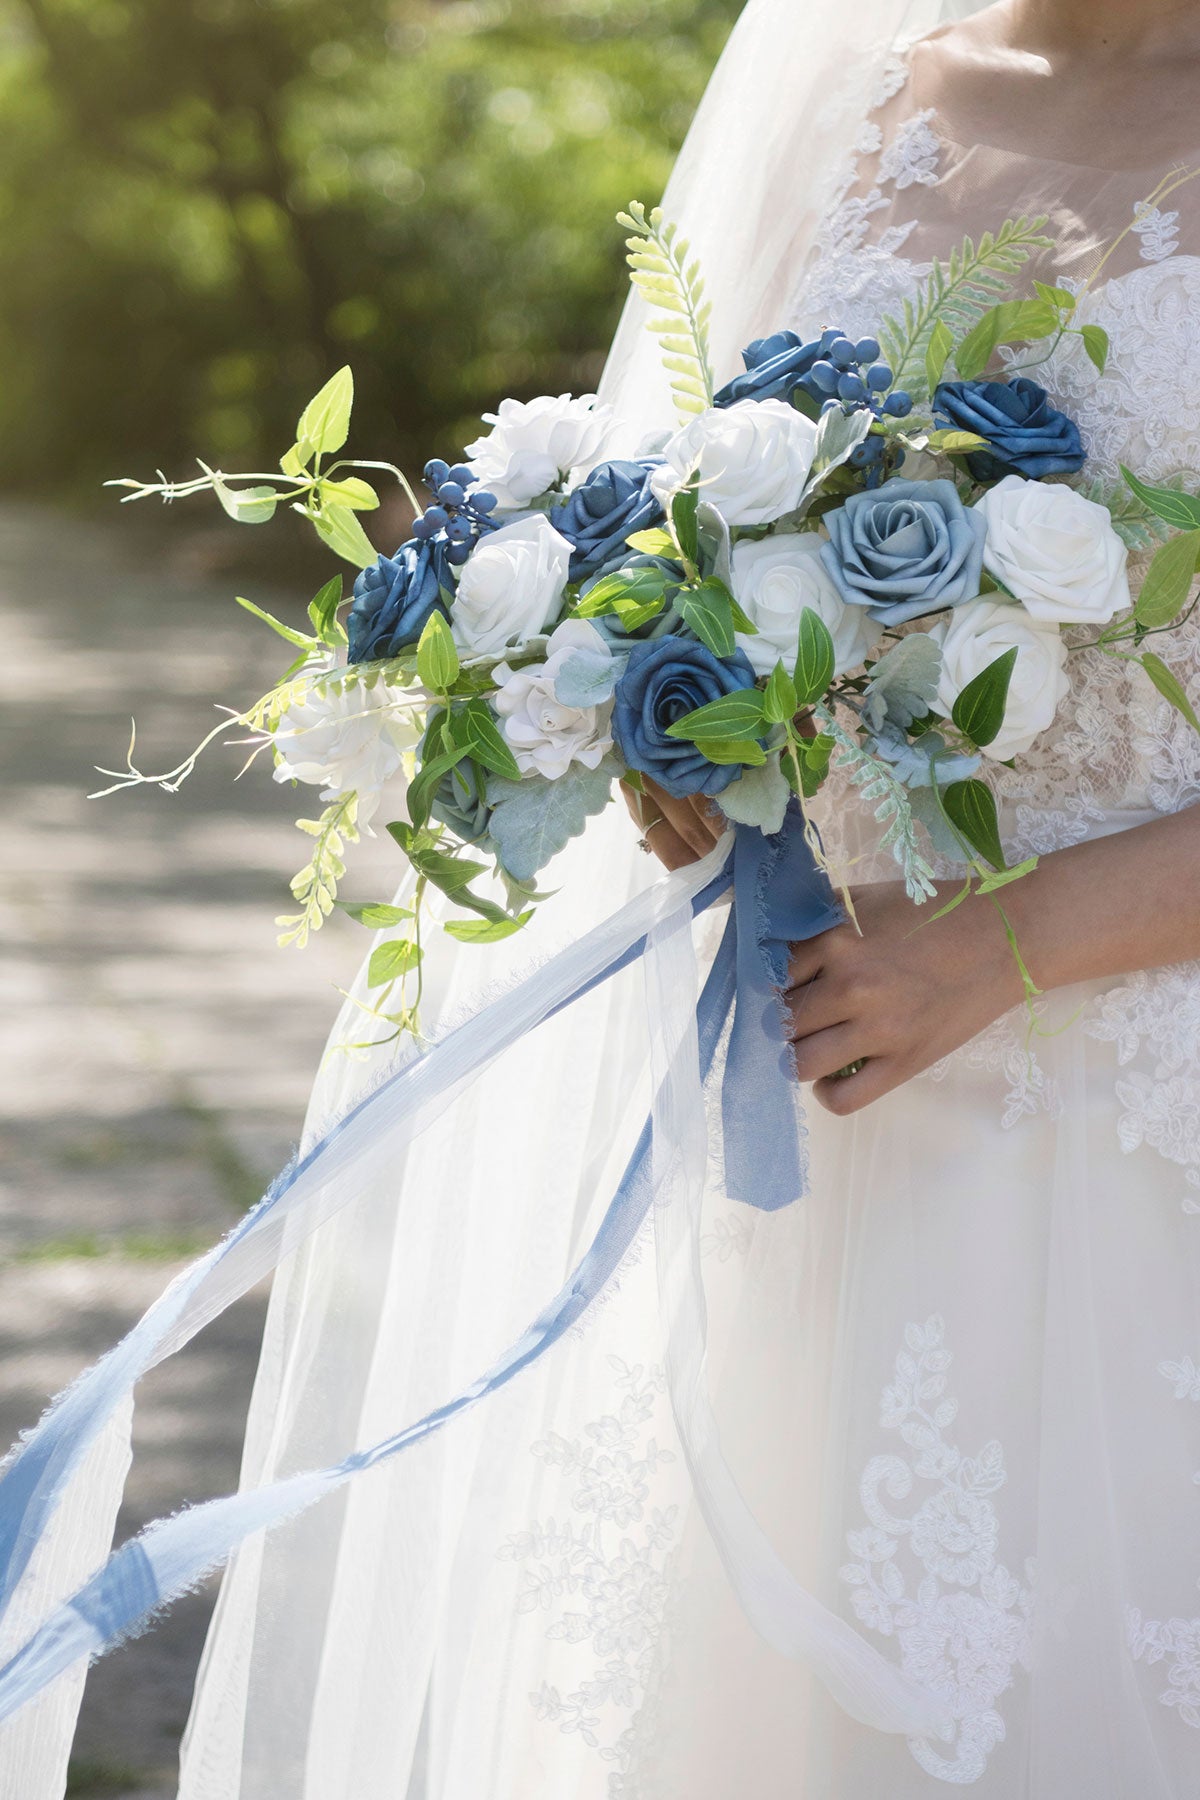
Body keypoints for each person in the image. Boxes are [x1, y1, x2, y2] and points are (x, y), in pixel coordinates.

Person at [171, 1, 1200, 1793]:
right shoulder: (861, 83)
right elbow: (691, 513)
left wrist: (990, 952)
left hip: (1135, 1111)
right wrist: (674, 727)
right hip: (816, 1077)